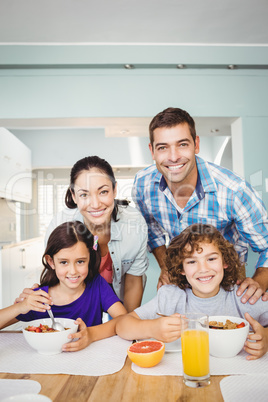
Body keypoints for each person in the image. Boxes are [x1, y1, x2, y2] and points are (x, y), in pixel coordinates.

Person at [132, 107, 268, 304]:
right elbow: (151, 228)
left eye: (182, 144)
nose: (173, 156)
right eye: (163, 147)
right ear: (152, 151)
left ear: (196, 145)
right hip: (179, 281)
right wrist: (165, 266)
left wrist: (261, 281)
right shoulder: (143, 184)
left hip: (228, 283)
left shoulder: (233, 191)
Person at [116, 224, 268, 360]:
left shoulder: (244, 296)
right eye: (192, 261)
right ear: (181, 268)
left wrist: (266, 337)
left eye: (211, 259)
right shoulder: (170, 296)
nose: (203, 269)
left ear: (225, 262)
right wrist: (152, 328)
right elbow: (122, 325)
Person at [18, 156, 148, 312]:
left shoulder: (134, 224)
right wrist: (34, 298)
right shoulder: (60, 224)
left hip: (119, 293)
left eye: (103, 192)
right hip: (78, 294)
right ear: (74, 196)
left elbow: (133, 281)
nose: (95, 204)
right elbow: (59, 273)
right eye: (84, 195)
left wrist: (128, 325)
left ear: (114, 190)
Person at [1, 221, 127, 351]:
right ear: (51, 262)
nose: (72, 271)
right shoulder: (39, 298)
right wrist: (21, 307)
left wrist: (91, 334)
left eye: (80, 261)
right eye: (63, 262)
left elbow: (124, 320)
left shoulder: (97, 285)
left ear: (90, 259)